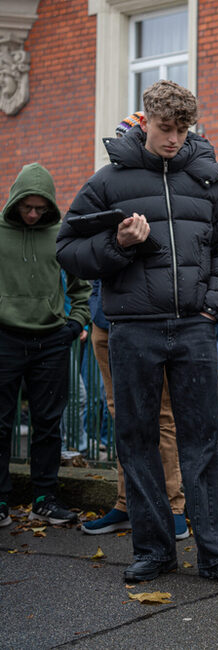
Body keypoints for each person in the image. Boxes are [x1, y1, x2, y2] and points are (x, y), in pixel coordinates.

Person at [57, 80, 218, 586]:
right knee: (137, 439)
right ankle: (153, 550)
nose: (173, 138)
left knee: (204, 443)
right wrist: (118, 243)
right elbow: (68, 248)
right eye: (166, 128)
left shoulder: (209, 179)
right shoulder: (109, 180)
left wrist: (216, 307)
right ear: (146, 122)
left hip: (195, 327)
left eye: (182, 129)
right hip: (132, 329)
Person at [83, 114, 187, 539]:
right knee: (121, 416)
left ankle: (175, 508)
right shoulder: (106, 185)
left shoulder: (168, 185)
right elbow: (84, 249)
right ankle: (127, 503)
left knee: (161, 418)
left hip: (151, 322)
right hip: (107, 324)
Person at [0, 163, 90, 528]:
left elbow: (81, 287)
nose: (34, 213)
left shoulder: (61, 233)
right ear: (15, 201)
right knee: (0, 424)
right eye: (28, 207)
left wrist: (75, 323)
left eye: (40, 207)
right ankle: (1, 502)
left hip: (51, 341)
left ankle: (44, 499)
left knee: (48, 424)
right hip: (4, 338)